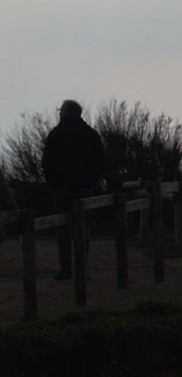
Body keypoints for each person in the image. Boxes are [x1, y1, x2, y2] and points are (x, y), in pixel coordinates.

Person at [42, 99, 107, 280]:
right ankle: (81, 267)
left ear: (64, 112)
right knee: (83, 228)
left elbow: (46, 163)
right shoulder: (90, 134)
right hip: (84, 188)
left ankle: (66, 269)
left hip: (62, 188)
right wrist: (92, 181)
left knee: (63, 228)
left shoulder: (56, 134)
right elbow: (101, 162)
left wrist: (53, 183)